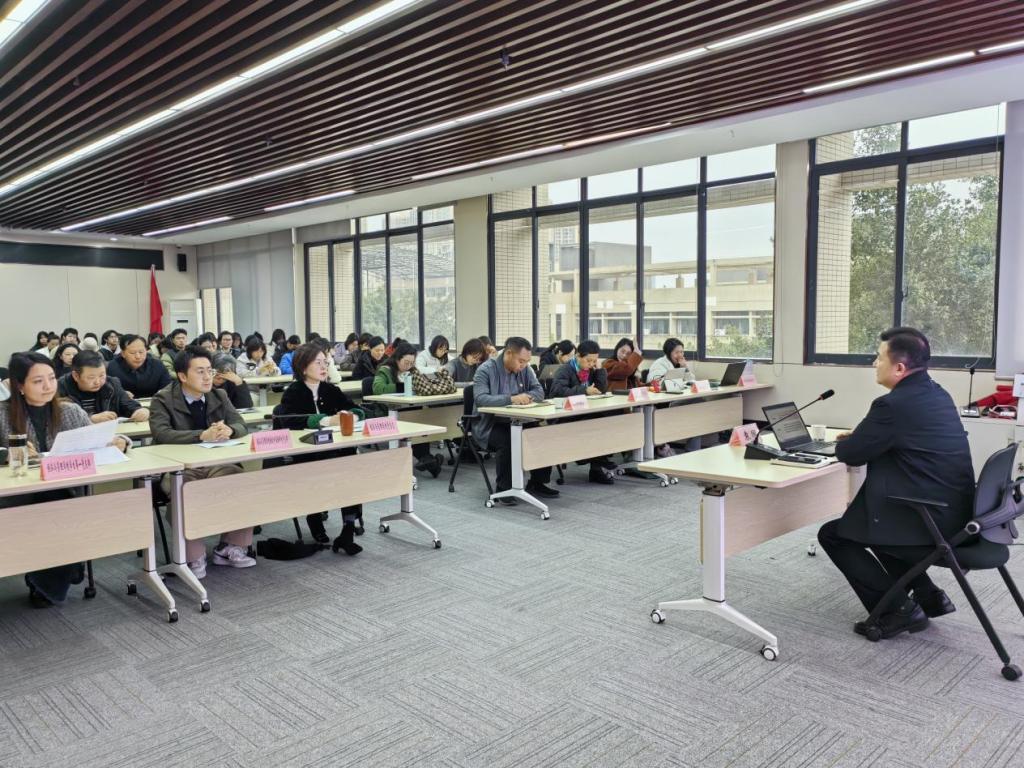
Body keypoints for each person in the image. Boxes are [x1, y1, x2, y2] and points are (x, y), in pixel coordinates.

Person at [817, 327, 975, 640]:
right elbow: (910, 439)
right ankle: (929, 596)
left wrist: (857, 440)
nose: (874, 364)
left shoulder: (891, 405)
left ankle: (898, 610)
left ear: (899, 367)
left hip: (929, 518)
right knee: (872, 524)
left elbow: (851, 454)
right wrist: (868, 436)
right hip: (956, 512)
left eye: (879, 358)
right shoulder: (937, 394)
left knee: (836, 535)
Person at [0, 352, 130, 608]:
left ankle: (55, 574)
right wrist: (8, 454)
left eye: (51, 378)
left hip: (66, 491)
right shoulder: (2, 414)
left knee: (60, 503)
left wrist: (121, 442)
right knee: (54, 507)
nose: (48, 386)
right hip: (18, 496)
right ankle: (64, 567)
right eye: (38, 381)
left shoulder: (70, 411)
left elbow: (99, 441)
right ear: (19, 385)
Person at [149, 346, 256, 578]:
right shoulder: (163, 399)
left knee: (242, 482)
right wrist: (201, 435)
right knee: (187, 491)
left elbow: (241, 424)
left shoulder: (219, 395)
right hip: (179, 467)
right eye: (200, 372)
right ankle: (192, 556)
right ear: (182, 375)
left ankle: (230, 547)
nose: (208, 377)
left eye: (210, 370)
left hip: (216, 462)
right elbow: (161, 434)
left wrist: (230, 430)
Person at [276, 344, 366, 553]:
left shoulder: (330, 389)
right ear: (303, 367)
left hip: (337, 449)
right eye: (318, 363)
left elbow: (355, 408)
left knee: (351, 471)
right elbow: (289, 420)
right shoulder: (293, 392)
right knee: (318, 473)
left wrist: (352, 416)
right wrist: (325, 420)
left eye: (325, 362)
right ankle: (314, 517)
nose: (324, 367)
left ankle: (348, 528)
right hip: (308, 453)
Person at [473, 337, 554, 505]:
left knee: (541, 434)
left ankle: (537, 482)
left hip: (521, 420)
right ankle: (504, 488)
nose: (523, 365)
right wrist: (512, 399)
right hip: (490, 424)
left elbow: (539, 391)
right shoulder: (485, 370)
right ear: (509, 353)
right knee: (509, 440)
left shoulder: (525, 369)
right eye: (521, 361)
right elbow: (481, 399)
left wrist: (527, 397)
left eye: (526, 362)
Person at [549, 339, 616, 484]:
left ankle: (597, 465)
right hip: (566, 415)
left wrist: (600, 370)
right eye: (588, 360)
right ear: (578, 356)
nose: (591, 364)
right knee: (595, 423)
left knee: (607, 418)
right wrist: (584, 390)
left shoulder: (592, 369)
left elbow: (601, 390)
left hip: (584, 412)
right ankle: (598, 461)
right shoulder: (565, 370)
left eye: (594, 361)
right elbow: (557, 392)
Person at [373, 342, 444, 477]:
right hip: (390, 411)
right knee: (414, 422)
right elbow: (378, 388)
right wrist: (402, 386)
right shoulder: (385, 370)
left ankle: (429, 461)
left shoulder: (412, 370)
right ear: (397, 358)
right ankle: (430, 461)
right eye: (406, 362)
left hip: (410, 410)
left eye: (411, 363)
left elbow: (423, 383)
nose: (409, 366)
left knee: (419, 419)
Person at [58, 349, 148, 422]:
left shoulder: (111, 383)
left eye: (102, 375)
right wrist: (90, 419)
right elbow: (58, 420)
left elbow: (127, 403)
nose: (98, 382)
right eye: (91, 377)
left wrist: (139, 410)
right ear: (76, 376)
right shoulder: (60, 388)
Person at [107, 333, 173, 398]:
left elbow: (168, 387)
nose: (138, 356)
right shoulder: (113, 367)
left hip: (154, 403)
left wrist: (164, 393)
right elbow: (107, 390)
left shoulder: (157, 365)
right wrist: (118, 394)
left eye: (141, 352)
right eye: (132, 353)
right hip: (125, 403)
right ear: (123, 354)